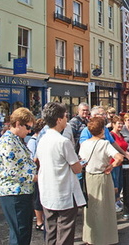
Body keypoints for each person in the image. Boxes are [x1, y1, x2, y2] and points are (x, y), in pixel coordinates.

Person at [36, 102, 86, 244]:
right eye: (65, 116)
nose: (66, 119)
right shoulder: (63, 142)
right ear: (58, 120)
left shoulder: (43, 139)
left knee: (51, 230)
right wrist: (81, 163)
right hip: (63, 192)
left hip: (47, 192)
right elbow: (76, 168)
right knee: (65, 232)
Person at [0, 108, 37, 245]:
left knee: (23, 232)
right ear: (18, 124)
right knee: (19, 234)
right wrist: (36, 177)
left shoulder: (16, 140)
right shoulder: (7, 142)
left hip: (22, 192)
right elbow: (12, 172)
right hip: (14, 193)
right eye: (28, 127)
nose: (30, 131)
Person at [79, 117, 123, 245]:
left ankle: (90, 237)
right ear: (102, 129)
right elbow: (119, 157)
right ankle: (105, 238)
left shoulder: (85, 144)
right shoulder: (104, 144)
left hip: (89, 177)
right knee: (105, 208)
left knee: (90, 208)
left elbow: (81, 160)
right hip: (103, 177)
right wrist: (111, 165)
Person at [26, 118, 46, 232]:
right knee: (38, 198)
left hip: (40, 173)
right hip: (37, 173)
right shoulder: (33, 141)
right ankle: (39, 221)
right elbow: (32, 159)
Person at [110, 115, 128, 212]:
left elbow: (124, 147)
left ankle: (117, 200)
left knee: (120, 183)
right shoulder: (111, 135)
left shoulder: (121, 135)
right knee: (115, 184)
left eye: (122, 123)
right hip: (114, 162)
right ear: (113, 124)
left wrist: (127, 153)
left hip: (122, 163)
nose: (121, 125)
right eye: (119, 123)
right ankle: (114, 202)